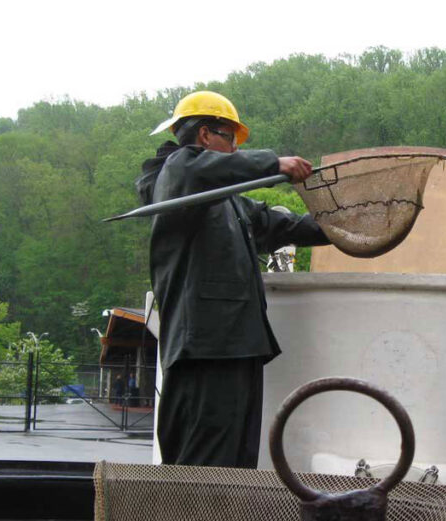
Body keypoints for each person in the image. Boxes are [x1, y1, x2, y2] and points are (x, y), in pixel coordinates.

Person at [137, 90, 329, 468]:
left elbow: (283, 224)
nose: (235, 149)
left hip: (237, 346)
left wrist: (344, 225)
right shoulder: (176, 172)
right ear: (206, 135)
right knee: (204, 462)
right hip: (203, 349)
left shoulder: (231, 203)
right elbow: (202, 169)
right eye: (231, 139)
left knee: (237, 463)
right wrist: (275, 163)